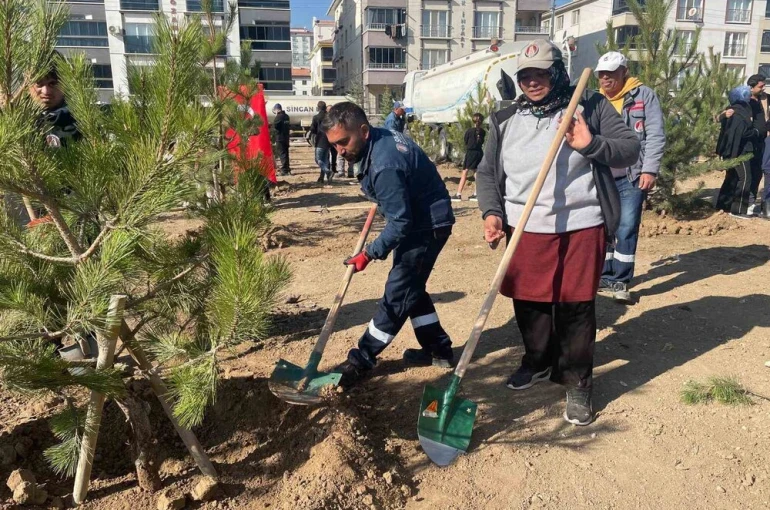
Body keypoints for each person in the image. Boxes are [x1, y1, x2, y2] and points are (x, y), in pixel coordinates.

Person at [476, 39, 640, 426]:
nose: (533, 82)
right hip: (524, 225)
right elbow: (487, 172)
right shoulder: (505, 118)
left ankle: (577, 381)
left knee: (575, 306)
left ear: (558, 73)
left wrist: (591, 143)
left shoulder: (591, 106)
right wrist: (492, 213)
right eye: (525, 76)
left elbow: (630, 148)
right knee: (528, 302)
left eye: (541, 74)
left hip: (580, 225)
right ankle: (536, 361)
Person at [321, 102, 456, 387]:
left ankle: (361, 359)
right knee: (412, 290)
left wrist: (369, 253)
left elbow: (401, 222)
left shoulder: (384, 164)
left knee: (398, 293)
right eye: (334, 146)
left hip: (426, 226)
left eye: (344, 142)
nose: (340, 151)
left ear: (364, 131)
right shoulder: (380, 140)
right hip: (422, 219)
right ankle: (438, 349)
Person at [594, 51, 666, 304]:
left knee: (625, 226)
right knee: (603, 228)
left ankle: (621, 280)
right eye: (601, 74)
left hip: (631, 175)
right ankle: (604, 274)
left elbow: (655, 134)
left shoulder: (643, 96)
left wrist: (649, 169)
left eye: (611, 73)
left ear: (624, 72)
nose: (605, 79)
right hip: (601, 177)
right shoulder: (594, 100)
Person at [717, 74, 768, 215]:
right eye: (761, 86)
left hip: (755, 146)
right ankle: (738, 210)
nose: (763, 88)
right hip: (742, 149)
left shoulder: (763, 100)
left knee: (742, 177)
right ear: (750, 89)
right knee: (743, 178)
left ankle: (724, 206)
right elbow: (735, 128)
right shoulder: (739, 108)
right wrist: (757, 131)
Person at [452, 113, 486, 202]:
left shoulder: (469, 131)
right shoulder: (483, 131)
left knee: (465, 172)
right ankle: (477, 193)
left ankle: (458, 193)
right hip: (479, 152)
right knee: (476, 172)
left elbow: (466, 141)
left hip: (471, 152)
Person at [308, 101, 332, 183]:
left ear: (318, 107)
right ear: (325, 107)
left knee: (318, 159)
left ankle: (328, 171)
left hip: (320, 140)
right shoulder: (329, 117)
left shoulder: (316, 117)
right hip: (328, 141)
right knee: (325, 160)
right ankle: (322, 178)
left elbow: (313, 129)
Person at [272, 103, 291, 176]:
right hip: (286, 138)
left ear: (277, 110)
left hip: (280, 138)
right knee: (286, 154)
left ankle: (284, 170)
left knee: (282, 154)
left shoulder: (278, 117)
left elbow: (275, 127)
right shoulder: (287, 117)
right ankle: (287, 169)